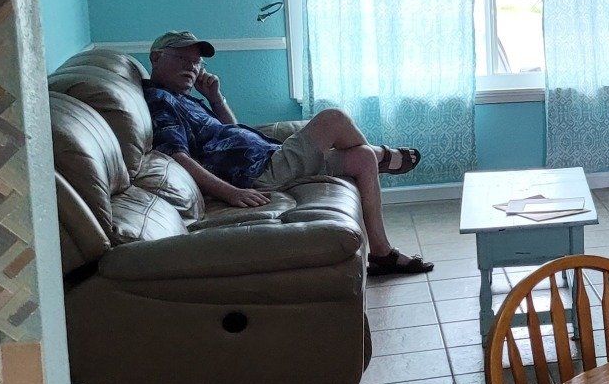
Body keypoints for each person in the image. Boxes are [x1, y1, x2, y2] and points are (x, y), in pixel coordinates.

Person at [141, 31, 434, 276]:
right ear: (156, 57)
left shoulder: (185, 99)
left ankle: (381, 253)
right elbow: (178, 156)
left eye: (196, 62)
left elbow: (231, 130)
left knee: (362, 158)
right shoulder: (160, 100)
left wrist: (215, 98)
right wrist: (230, 192)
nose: (191, 67)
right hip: (259, 173)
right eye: (182, 59)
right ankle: (385, 155)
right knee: (333, 119)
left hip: (269, 160)